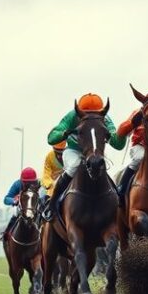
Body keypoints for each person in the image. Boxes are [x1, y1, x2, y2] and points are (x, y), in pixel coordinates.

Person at [44, 93, 126, 222]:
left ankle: (121, 204)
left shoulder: (105, 119)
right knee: (74, 165)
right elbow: (51, 138)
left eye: (95, 114)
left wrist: (123, 132)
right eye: (87, 114)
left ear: (100, 113)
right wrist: (64, 133)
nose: (91, 117)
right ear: (80, 113)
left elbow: (118, 144)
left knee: (102, 168)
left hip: (94, 153)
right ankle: (52, 205)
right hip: (74, 150)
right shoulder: (72, 116)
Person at [2, 167, 40, 238]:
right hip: (21, 210)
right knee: (13, 218)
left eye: (31, 183)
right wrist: (14, 200)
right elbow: (6, 199)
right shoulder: (17, 184)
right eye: (26, 183)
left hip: (34, 210)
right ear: (22, 182)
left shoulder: (39, 184)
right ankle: (6, 235)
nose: (29, 185)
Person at [39, 141, 66, 220]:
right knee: (41, 194)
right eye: (57, 152)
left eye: (61, 152)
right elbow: (46, 173)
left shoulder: (70, 155)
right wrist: (49, 184)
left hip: (67, 181)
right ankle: (42, 219)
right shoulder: (49, 156)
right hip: (52, 184)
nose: (59, 155)